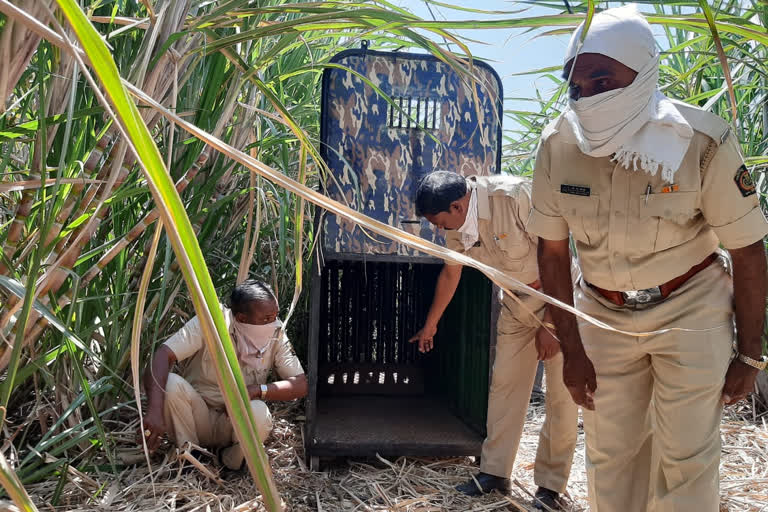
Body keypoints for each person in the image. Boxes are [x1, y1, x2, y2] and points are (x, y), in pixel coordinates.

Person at [528, 6, 768, 512]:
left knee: (686, 459)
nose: (587, 97)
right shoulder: (558, 145)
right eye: (577, 86)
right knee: (611, 456)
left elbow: (746, 250)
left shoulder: (700, 140)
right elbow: (551, 253)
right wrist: (572, 350)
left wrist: (749, 354)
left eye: (603, 79)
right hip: (603, 314)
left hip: (690, 308)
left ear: (644, 73)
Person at [410, 170, 578, 510]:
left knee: (561, 398)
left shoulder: (513, 196)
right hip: (515, 304)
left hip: (561, 300)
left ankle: (550, 487)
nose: (439, 230)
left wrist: (551, 324)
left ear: (457, 206)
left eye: (440, 223)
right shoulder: (458, 226)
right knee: (504, 389)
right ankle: (494, 474)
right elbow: (451, 272)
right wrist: (431, 325)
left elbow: (564, 258)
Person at [141, 279, 308, 470]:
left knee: (260, 413)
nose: (273, 322)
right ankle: (190, 457)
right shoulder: (212, 322)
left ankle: (230, 460)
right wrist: (153, 411)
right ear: (242, 318)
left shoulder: (276, 333)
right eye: (266, 319)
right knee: (171, 384)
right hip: (197, 415)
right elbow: (163, 355)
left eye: (275, 316)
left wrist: (255, 391)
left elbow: (301, 384)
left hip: (234, 421)